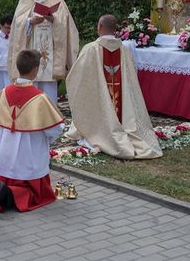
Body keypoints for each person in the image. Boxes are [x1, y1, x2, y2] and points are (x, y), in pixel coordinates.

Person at [64, 15, 163, 160]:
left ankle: (101, 130)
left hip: (99, 105)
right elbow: (130, 80)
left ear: (99, 27)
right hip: (123, 106)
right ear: (115, 30)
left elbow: (76, 78)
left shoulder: (90, 49)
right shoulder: (125, 50)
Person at [0, 50, 65, 215]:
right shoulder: (40, 98)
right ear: (35, 70)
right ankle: (9, 194)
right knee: (37, 194)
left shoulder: (5, 92)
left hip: (5, 158)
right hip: (29, 160)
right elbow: (54, 129)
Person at [8, 0, 79, 104]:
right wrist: (30, 21)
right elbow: (17, 23)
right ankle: (31, 114)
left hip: (50, 51)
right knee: (32, 86)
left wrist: (54, 20)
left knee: (49, 89)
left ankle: (50, 116)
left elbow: (65, 22)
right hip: (32, 47)